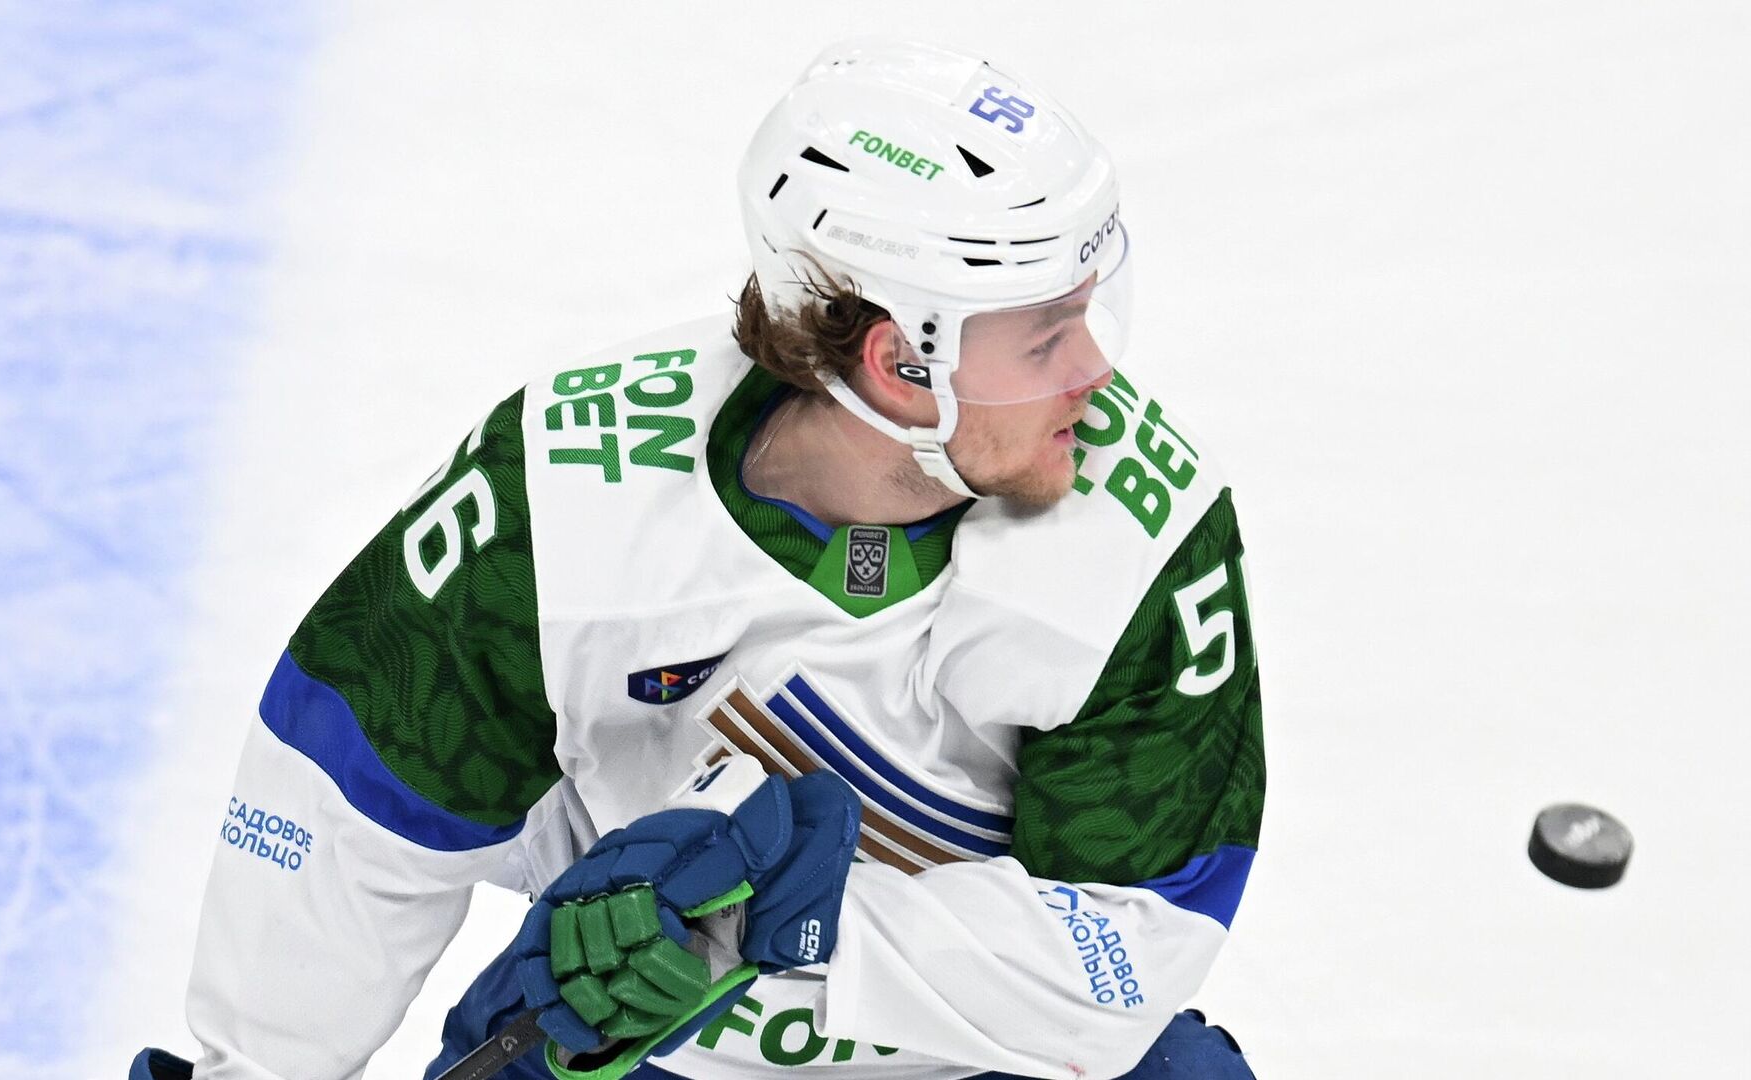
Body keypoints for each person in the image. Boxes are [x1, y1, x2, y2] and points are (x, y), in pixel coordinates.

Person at [137, 37, 1265, 1080]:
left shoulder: (1142, 544)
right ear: (900, 362)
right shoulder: (563, 504)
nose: (1095, 375)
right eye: (1044, 337)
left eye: (1089, 313)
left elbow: (1131, 952)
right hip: (625, 1048)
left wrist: (794, 924)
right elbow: (349, 812)